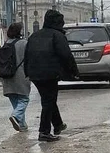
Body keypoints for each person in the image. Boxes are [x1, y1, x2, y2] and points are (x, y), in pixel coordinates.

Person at [23, 9, 78, 142]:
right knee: (48, 101)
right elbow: (66, 55)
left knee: (48, 99)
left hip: (34, 74)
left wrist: (27, 72)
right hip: (50, 74)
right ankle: (44, 131)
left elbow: (27, 55)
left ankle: (58, 124)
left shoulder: (34, 36)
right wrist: (74, 71)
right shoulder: (57, 36)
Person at [2, 23, 30, 131]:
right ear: (20, 32)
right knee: (24, 99)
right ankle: (16, 116)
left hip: (6, 76)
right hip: (20, 75)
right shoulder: (24, 43)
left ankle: (22, 125)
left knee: (15, 100)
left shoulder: (6, 44)